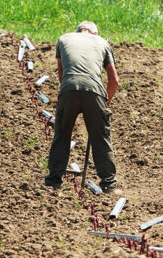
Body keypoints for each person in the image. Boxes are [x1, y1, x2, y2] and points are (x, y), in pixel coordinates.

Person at [44, 21, 119, 192]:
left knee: (61, 134)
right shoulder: (102, 42)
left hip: (68, 88)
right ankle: (108, 183)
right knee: (101, 137)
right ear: (93, 32)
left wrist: (70, 93)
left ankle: (54, 181)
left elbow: (61, 72)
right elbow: (114, 80)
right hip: (95, 91)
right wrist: (104, 103)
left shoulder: (63, 39)